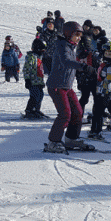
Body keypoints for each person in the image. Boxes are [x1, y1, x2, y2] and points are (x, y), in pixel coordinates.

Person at [43, 21, 96, 153]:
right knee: (65, 114)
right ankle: (53, 142)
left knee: (77, 112)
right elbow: (66, 62)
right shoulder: (62, 46)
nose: (79, 38)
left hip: (66, 86)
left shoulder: (70, 46)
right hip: (56, 86)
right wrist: (83, 67)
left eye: (80, 36)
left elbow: (70, 65)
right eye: (76, 35)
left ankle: (71, 138)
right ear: (68, 34)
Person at [22, 38, 48, 119]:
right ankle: (29, 110)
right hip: (32, 81)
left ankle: (36, 109)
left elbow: (40, 70)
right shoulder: (31, 57)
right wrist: (27, 80)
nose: (43, 52)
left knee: (40, 95)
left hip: (38, 81)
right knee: (35, 96)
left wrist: (41, 82)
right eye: (42, 50)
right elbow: (26, 69)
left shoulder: (39, 57)